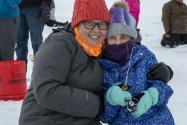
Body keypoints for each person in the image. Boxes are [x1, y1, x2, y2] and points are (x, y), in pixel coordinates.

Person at [19, 0, 173, 124]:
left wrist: (164, 70)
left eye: (102, 24)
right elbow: (47, 91)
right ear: (77, 24)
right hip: (46, 118)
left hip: (83, 118)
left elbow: (127, 47)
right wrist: (102, 104)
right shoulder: (60, 43)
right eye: (89, 23)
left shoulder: (102, 48)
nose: (96, 30)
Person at [100, 2, 175, 125]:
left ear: (131, 38)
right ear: (105, 40)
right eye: (113, 37)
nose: (118, 42)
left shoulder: (143, 55)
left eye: (123, 37)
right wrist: (110, 99)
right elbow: (106, 117)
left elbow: (163, 87)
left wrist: (153, 95)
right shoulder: (101, 66)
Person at [15, 0, 52, 66]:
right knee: (20, 43)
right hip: (17, 6)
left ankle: (39, 72)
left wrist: (46, 4)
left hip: (35, 7)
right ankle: (20, 74)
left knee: (37, 42)